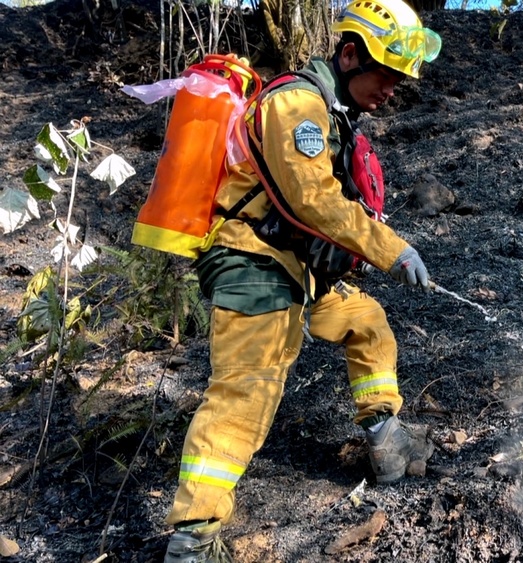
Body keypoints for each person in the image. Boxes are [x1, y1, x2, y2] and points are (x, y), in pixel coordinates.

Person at [162, 1, 442, 561]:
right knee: (246, 392)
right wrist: (393, 249)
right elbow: (312, 199)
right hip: (254, 263)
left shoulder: (331, 111)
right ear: (348, 54)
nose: (391, 92)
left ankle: (385, 439)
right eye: (385, 76)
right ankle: (193, 537)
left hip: (298, 269)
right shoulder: (296, 104)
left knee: (367, 323)